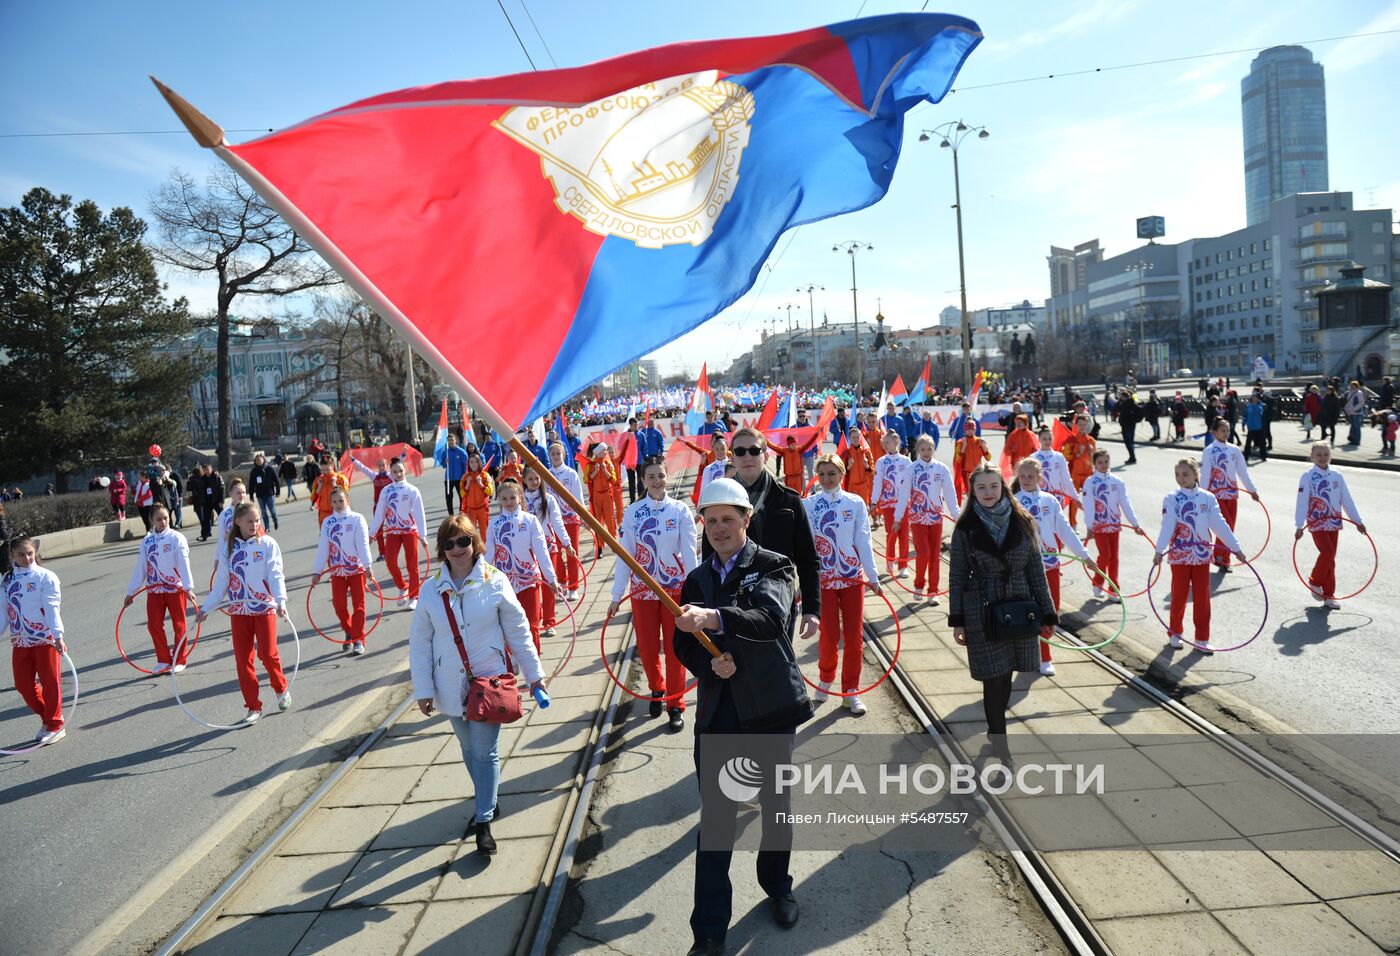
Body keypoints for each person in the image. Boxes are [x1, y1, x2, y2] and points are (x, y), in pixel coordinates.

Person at [673, 477, 811, 953]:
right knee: (716, 823)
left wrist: (713, 618)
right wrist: (706, 661)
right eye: (709, 521)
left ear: (746, 520)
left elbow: (770, 619)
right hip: (720, 714)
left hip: (770, 709)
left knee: (776, 809)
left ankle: (778, 886)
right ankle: (708, 932)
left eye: (727, 519)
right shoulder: (697, 578)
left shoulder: (775, 565)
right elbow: (681, 644)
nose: (718, 529)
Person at [409, 514, 548, 856]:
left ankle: (483, 820)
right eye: (450, 543)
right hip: (449, 685)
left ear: (475, 543)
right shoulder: (430, 590)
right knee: (469, 750)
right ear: (442, 549)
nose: (458, 549)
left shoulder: (495, 581)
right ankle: (491, 798)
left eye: (464, 541)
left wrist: (535, 676)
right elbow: (419, 643)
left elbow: (518, 631)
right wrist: (423, 690)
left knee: (485, 752)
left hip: (489, 683)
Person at [947, 465, 1057, 762]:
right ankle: (1001, 746)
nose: (988, 493)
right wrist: (957, 620)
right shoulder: (965, 529)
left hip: (1019, 607)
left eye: (993, 486)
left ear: (1003, 488)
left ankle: (995, 734)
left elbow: (1036, 569)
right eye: (980, 488)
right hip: (982, 609)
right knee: (992, 679)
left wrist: (1048, 613)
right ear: (972, 492)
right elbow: (957, 575)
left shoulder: (1023, 521)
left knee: (1007, 678)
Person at [608, 455, 699, 731]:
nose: (657, 481)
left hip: (675, 592)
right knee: (647, 649)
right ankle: (656, 689)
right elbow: (626, 555)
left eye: (661, 475)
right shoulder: (633, 512)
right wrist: (616, 595)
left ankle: (675, 703)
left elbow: (690, 551)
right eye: (651, 477)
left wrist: (695, 590)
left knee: (675, 649)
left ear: (666, 476)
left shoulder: (680, 511)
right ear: (644, 481)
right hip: (643, 593)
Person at [721, 427, 822, 641]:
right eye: (739, 451)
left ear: (765, 455)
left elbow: (807, 557)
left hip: (779, 599)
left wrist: (812, 609)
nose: (747, 456)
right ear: (732, 457)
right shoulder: (720, 502)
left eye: (754, 450)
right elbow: (710, 561)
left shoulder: (789, 500)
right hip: (733, 603)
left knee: (780, 668)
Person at [197, 502, 291, 724]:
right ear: (237, 522)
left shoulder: (268, 544)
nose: (254, 524)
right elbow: (221, 584)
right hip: (239, 610)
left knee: (268, 654)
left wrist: (281, 601)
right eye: (249, 521)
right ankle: (253, 706)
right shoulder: (228, 549)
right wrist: (206, 608)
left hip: (264, 608)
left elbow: (276, 575)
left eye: (257, 520)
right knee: (243, 660)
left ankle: (281, 688)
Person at [802, 453, 881, 714]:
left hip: (850, 578)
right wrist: (802, 583)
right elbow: (804, 549)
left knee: (854, 637)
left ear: (841, 475)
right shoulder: (809, 505)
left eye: (831, 474)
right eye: (822, 474)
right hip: (822, 580)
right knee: (829, 636)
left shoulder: (855, 503)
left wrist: (873, 576)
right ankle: (825, 681)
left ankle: (850, 692)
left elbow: (863, 541)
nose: (826, 479)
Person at [1013, 458, 1097, 676]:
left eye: (1031, 476)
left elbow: (1065, 530)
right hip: (1026, 568)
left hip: (1049, 565)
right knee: (1029, 612)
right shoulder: (1014, 502)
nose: (1026, 480)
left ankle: (1042, 653)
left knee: (1051, 610)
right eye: (1022, 476)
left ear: (1040, 478)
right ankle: (1038, 655)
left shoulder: (1050, 501)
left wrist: (1084, 555)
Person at [1154, 459, 1245, 653]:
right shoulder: (1171, 498)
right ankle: (1175, 633)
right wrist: (1159, 550)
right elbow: (1167, 525)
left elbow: (1219, 524)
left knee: (1202, 597)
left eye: (1185, 474)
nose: (1181, 479)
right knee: (1178, 595)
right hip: (1180, 555)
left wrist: (1235, 548)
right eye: (1177, 475)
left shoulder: (1207, 498)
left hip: (1202, 555)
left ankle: (1202, 639)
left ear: (1196, 475)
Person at [6, 535, 69, 746]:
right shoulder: (7, 580)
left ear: (35, 552)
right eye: (21, 555)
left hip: (45, 639)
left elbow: (52, 608)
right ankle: (50, 718)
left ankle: (54, 724)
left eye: (30, 553)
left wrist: (58, 635)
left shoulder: (46, 577)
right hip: (21, 640)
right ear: (12, 556)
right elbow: (3, 612)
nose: (26, 558)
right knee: (23, 685)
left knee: (51, 682)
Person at [485, 477, 560, 652]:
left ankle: (533, 670)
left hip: (529, 581)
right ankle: (513, 660)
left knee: (532, 625)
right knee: (508, 627)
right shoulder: (494, 524)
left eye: (512, 497)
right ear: (498, 500)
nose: (508, 502)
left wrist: (552, 578)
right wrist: (481, 579)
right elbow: (488, 555)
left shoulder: (530, 520)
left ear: (520, 497)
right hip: (505, 584)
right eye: (504, 498)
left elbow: (542, 552)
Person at [122, 503, 196, 672]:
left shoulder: (176, 538)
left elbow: (184, 563)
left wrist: (188, 587)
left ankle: (179, 660)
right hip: (154, 589)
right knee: (154, 625)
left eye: (165, 518)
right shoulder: (147, 541)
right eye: (159, 519)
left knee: (179, 625)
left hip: (175, 589)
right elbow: (141, 567)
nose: (163, 522)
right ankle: (164, 659)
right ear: (152, 521)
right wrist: (131, 592)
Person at [1294, 442, 1366, 610]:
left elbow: (1346, 500)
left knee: (1330, 559)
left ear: (1330, 456)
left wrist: (1357, 521)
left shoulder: (1337, 475)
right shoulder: (1307, 476)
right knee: (1327, 552)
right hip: (1316, 522)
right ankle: (1315, 581)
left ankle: (1328, 595)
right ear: (1312, 456)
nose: (1322, 458)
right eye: (1318, 455)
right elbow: (1302, 501)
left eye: (1326, 454)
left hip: (1334, 522)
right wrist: (1299, 524)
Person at [895, 434, 959, 602]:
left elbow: (950, 494)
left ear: (934, 449)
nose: (926, 452)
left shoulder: (941, 469)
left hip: (936, 517)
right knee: (923, 553)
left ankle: (933, 591)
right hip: (917, 518)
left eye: (929, 449)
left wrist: (956, 516)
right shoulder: (912, 469)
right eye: (922, 449)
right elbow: (903, 495)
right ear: (917, 450)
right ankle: (919, 585)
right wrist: (897, 517)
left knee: (935, 555)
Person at [313, 486, 374, 654]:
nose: (337, 504)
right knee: (339, 606)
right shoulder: (327, 522)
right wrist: (317, 572)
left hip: (356, 570)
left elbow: (362, 545)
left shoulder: (357, 519)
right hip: (337, 572)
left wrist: (368, 566)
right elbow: (323, 548)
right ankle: (350, 631)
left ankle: (358, 639)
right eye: (334, 501)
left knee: (359, 607)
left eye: (341, 500)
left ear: (347, 500)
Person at [1081, 450, 1141, 601]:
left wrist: (1135, 523)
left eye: (1106, 462)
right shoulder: (1090, 482)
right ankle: (1098, 582)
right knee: (1105, 555)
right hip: (1099, 525)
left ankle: (1113, 589)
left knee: (1114, 557)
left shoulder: (1117, 481)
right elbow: (1088, 505)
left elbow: (1125, 503)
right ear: (1094, 463)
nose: (1103, 465)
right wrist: (1089, 526)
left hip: (1114, 524)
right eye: (1100, 462)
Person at [1201, 419, 1259, 572]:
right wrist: (1201, 494)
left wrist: (1252, 490)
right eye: (1222, 431)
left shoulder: (1234, 450)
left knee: (1230, 527)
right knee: (1224, 526)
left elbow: (1242, 472)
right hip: (1215, 495)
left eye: (1227, 430)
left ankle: (1222, 557)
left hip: (1232, 494)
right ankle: (1221, 558)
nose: (1226, 433)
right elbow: (1205, 474)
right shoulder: (1209, 451)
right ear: (1214, 432)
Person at [370, 459, 428, 609]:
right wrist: (372, 533)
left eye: (401, 471)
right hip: (393, 531)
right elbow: (379, 514)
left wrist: (423, 535)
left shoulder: (412, 490)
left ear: (405, 470)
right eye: (395, 471)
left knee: (412, 565)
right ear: (391, 472)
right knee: (390, 561)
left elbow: (420, 514)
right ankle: (403, 586)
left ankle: (414, 596)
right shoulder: (386, 491)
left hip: (409, 531)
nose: (398, 474)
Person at [522, 464, 571, 638]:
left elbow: (557, 522)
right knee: (532, 587)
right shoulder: (520, 499)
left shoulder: (549, 499)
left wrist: (567, 543)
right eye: (530, 479)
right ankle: (535, 620)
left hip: (548, 546)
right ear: (524, 480)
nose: (534, 482)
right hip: (526, 550)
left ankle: (550, 621)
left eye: (537, 478)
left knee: (550, 584)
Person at [871, 430, 912, 576]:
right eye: (884, 442)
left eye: (887, 442)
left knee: (904, 533)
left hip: (904, 503)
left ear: (896, 441)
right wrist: (874, 501)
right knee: (892, 532)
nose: (884, 444)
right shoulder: (881, 462)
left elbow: (911, 483)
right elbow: (877, 483)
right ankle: (890, 561)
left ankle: (903, 565)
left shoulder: (906, 461)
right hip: (888, 503)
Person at [547, 442, 585, 595]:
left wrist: (584, 517)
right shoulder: (546, 474)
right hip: (553, 521)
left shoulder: (571, 474)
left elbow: (578, 497)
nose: (556, 456)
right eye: (553, 454)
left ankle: (573, 587)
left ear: (563, 455)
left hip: (570, 519)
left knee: (572, 552)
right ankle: (562, 580)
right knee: (555, 552)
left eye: (558, 453)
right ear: (549, 456)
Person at [951, 418, 990, 504]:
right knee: (970, 495)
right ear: (965, 430)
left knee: (979, 493)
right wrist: (964, 447)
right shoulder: (960, 442)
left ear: (975, 430)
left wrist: (984, 447)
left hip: (979, 472)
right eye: (968, 429)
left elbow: (988, 458)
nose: (970, 431)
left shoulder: (980, 441)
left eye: (972, 429)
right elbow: (958, 460)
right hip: (967, 473)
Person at [585, 444, 619, 540]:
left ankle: (614, 543)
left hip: (607, 495)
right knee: (598, 522)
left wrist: (604, 470)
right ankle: (599, 546)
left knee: (610, 520)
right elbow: (586, 480)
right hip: (596, 496)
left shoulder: (608, 464)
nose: (606, 452)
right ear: (598, 452)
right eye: (604, 450)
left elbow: (614, 480)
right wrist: (595, 471)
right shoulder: (590, 465)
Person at [459, 452, 495, 537]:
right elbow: (462, 494)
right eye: (471, 462)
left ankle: (485, 549)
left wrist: (481, 484)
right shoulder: (465, 477)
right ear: (468, 463)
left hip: (482, 509)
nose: (474, 464)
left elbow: (490, 492)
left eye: (476, 461)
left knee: (485, 532)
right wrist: (467, 485)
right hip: (470, 510)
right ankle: (474, 549)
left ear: (479, 463)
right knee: (471, 533)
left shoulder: (485, 475)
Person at [436, 432, 470, 513]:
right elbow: (443, 465)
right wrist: (445, 462)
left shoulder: (461, 452)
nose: (451, 442)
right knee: (448, 497)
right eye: (449, 440)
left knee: (462, 496)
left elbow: (466, 466)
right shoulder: (445, 452)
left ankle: (462, 512)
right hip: (448, 479)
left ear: (455, 440)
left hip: (459, 478)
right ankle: (451, 514)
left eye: (452, 440)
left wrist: (465, 477)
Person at [248, 452, 281, 531]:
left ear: (263, 460)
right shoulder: (254, 471)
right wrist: (251, 496)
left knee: (272, 510)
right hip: (260, 494)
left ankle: (275, 521)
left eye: (260, 459)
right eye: (257, 460)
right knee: (263, 512)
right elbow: (251, 484)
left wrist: (278, 492)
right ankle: (267, 526)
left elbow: (276, 481)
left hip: (270, 493)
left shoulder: (269, 469)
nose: (258, 461)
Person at [1243, 393, 1268, 463]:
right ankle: (1246, 456)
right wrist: (1243, 424)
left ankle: (1263, 456)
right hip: (1251, 427)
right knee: (1248, 443)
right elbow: (1245, 416)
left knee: (1262, 443)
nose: (1253, 398)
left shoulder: (1262, 406)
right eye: (1253, 397)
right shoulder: (1248, 406)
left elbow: (1264, 417)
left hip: (1259, 427)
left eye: (1255, 397)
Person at [1117, 389, 1140, 464]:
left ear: (1124, 397)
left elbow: (1117, 408)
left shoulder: (1124, 404)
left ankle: (1132, 457)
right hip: (1132, 424)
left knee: (1128, 442)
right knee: (1131, 441)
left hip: (1126, 425)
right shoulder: (1132, 402)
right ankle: (1132, 457)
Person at [1344, 380, 1367, 447]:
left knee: (1357, 427)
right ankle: (1353, 439)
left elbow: (1361, 402)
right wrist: (1347, 409)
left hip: (1356, 412)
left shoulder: (1359, 393)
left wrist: (1354, 409)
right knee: (1353, 426)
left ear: (1356, 386)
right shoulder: (1350, 392)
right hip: (1350, 411)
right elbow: (1348, 402)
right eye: (1351, 385)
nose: (1352, 386)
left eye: (1353, 385)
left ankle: (1357, 441)